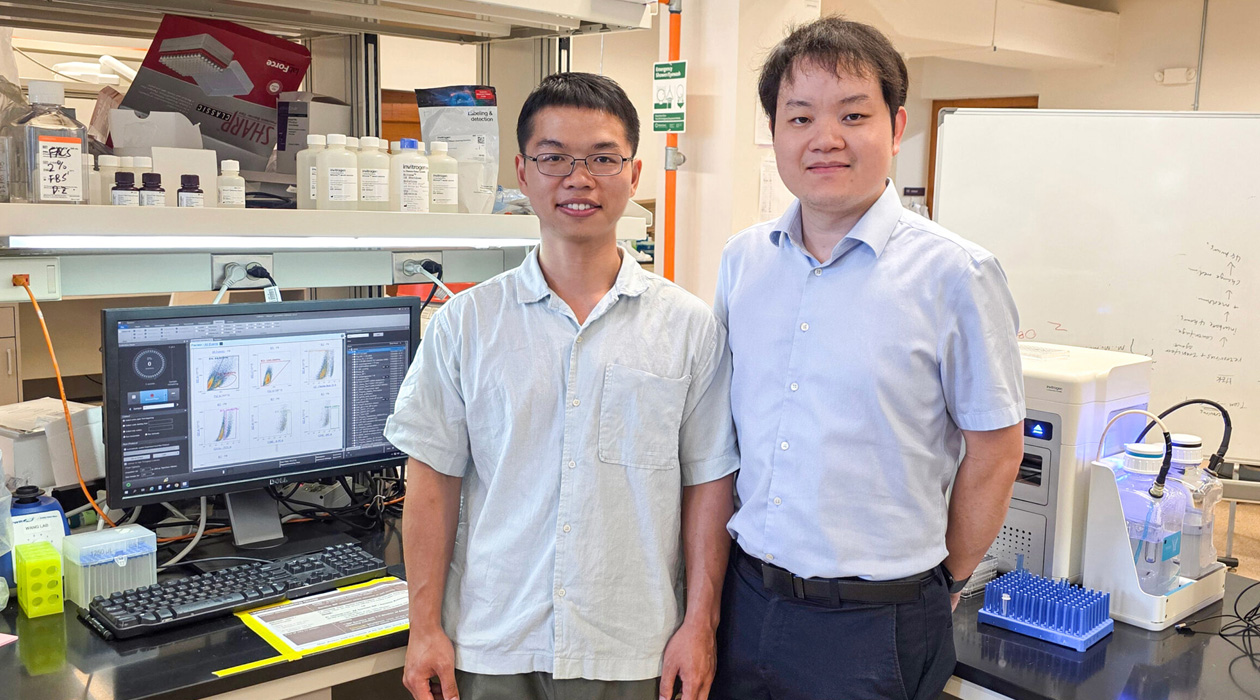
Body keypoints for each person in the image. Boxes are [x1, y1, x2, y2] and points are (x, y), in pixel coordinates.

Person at [385, 72, 738, 700]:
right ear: (522, 173)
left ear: (634, 175)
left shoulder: (689, 328)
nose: (579, 178)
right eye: (554, 158)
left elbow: (708, 486)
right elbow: (432, 483)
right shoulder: (466, 324)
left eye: (603, 158)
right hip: (493, 639)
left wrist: (700, 624)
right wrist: (425, 627)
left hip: (634, 646)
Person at [711, 17, 1026, 700]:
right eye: (799, 117)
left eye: (853, 114)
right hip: (745, 600)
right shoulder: (743, 262)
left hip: (875, 621)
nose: (824, 138)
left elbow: (997, 449)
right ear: (775, 133)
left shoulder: (956, 274)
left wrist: (949, 577)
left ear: (896, 125)